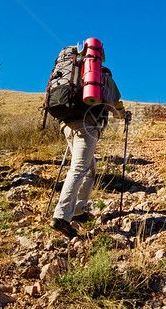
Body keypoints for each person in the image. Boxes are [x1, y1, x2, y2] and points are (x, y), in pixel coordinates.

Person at [50, 65, 130, 238]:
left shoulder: (76, 77)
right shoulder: (104, 78)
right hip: (86, 126)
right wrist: (124, 115)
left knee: (90, 167)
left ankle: (78, 210)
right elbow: (115, 105)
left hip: (67, 124)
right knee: (79, 168)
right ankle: (62, 216)